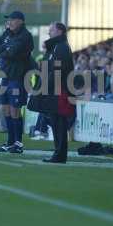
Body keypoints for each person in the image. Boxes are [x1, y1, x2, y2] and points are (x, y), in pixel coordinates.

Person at [29, 22, 75, 163]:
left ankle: (60, 154)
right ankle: (58, 153)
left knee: (59, 122)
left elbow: (56, 71)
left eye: (51, 30)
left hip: (59, 90)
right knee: (55, 122)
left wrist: (44, 88)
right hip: (55, 90)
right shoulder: (56, 47)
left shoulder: (60, 48)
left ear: (60, 31)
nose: (49, 33)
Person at [0, 11, 34, 153]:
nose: (9, 22)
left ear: (20, 21)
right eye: (8, 20)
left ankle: (18, 143)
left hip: (18, 77)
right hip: (6, 76)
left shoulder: (25, 36)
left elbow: (13, 52)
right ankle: (10, 142)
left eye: (12, 19)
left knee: (15, 110)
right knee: (5, 108)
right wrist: (5, 49)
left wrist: (4, 50)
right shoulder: (8, 33)